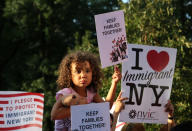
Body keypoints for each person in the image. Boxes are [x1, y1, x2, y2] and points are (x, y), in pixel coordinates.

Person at [51, 51, 122, 131]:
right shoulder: (65, 93)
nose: (83, 75)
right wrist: (79, 107)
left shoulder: (91, 92)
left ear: (93, 73)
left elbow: (106, 107)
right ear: (69, 75)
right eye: (78, 71)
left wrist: (114, 83)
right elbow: (54, 115)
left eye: (87, 71)